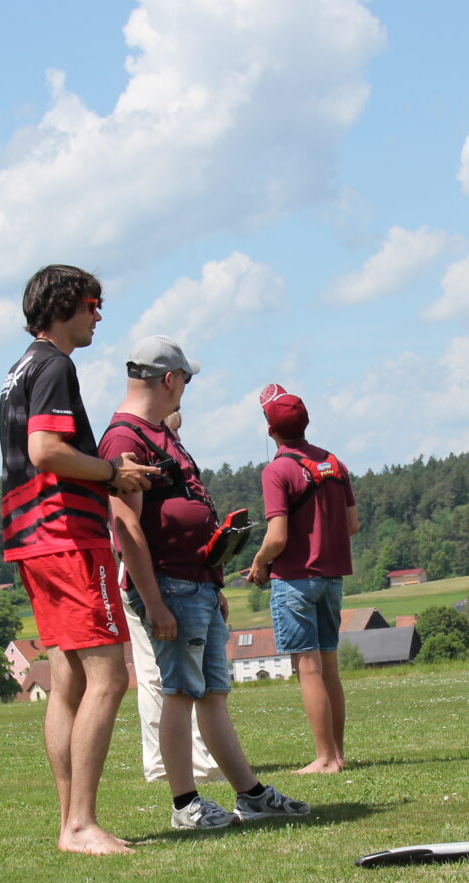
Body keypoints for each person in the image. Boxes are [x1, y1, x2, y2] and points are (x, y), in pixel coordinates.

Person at [101, 337, 310, 831]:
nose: (185, 392)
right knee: (177, 691)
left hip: (196, 581)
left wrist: (212, 583)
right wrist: (154, 601)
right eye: (185, 382)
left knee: (212, 692)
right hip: (168, 585)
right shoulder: (124, 439)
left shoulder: (157, 432)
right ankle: (185, 805)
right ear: (170, 379)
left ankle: (251, 794)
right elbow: (125, 526)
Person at [0, 265, 160, 855]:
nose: (99, 315)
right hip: (65, 536)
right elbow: (46, 450)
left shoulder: (20, 368)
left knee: (66, 678)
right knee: (110, 677)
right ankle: (81, 824)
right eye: (94, 304)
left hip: (34, 539)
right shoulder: (55, 365)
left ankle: (70, 821)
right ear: (65, 305)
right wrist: (113, 474)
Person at [245, 384, 358, 773]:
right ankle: (338, 753)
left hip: (294, 580)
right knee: (329, 668)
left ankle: (325, 758)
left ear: (270, 431)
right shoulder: (334, 463)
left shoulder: (278, 470)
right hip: (332, 578)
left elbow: (277, 536)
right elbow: (352, 524)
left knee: (306, 668)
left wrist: (260, 562)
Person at [128, 408, 221, 786]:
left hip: (186, 579)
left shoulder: (167, 447)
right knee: (163, 679)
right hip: (157, 580)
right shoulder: (135, 445)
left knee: (175, 679)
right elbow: (126, 525)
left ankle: (176, 763)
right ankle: (174, 769)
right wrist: (153, 600)